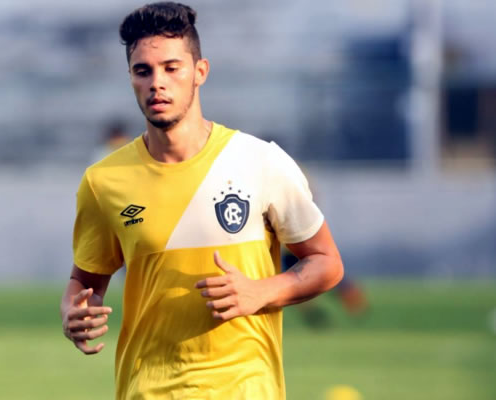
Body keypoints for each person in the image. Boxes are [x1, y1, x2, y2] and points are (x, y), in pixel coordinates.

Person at [60, 2, 344, 399]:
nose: (157, 83)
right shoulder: (103, 181)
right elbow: (85, 282)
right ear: (131, 78)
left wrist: (261, 292)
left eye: (171, 68)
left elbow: (327, 262)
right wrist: (73, 312)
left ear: (200, 72)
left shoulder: (260, 162)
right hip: (150, 390)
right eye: (143, 71)